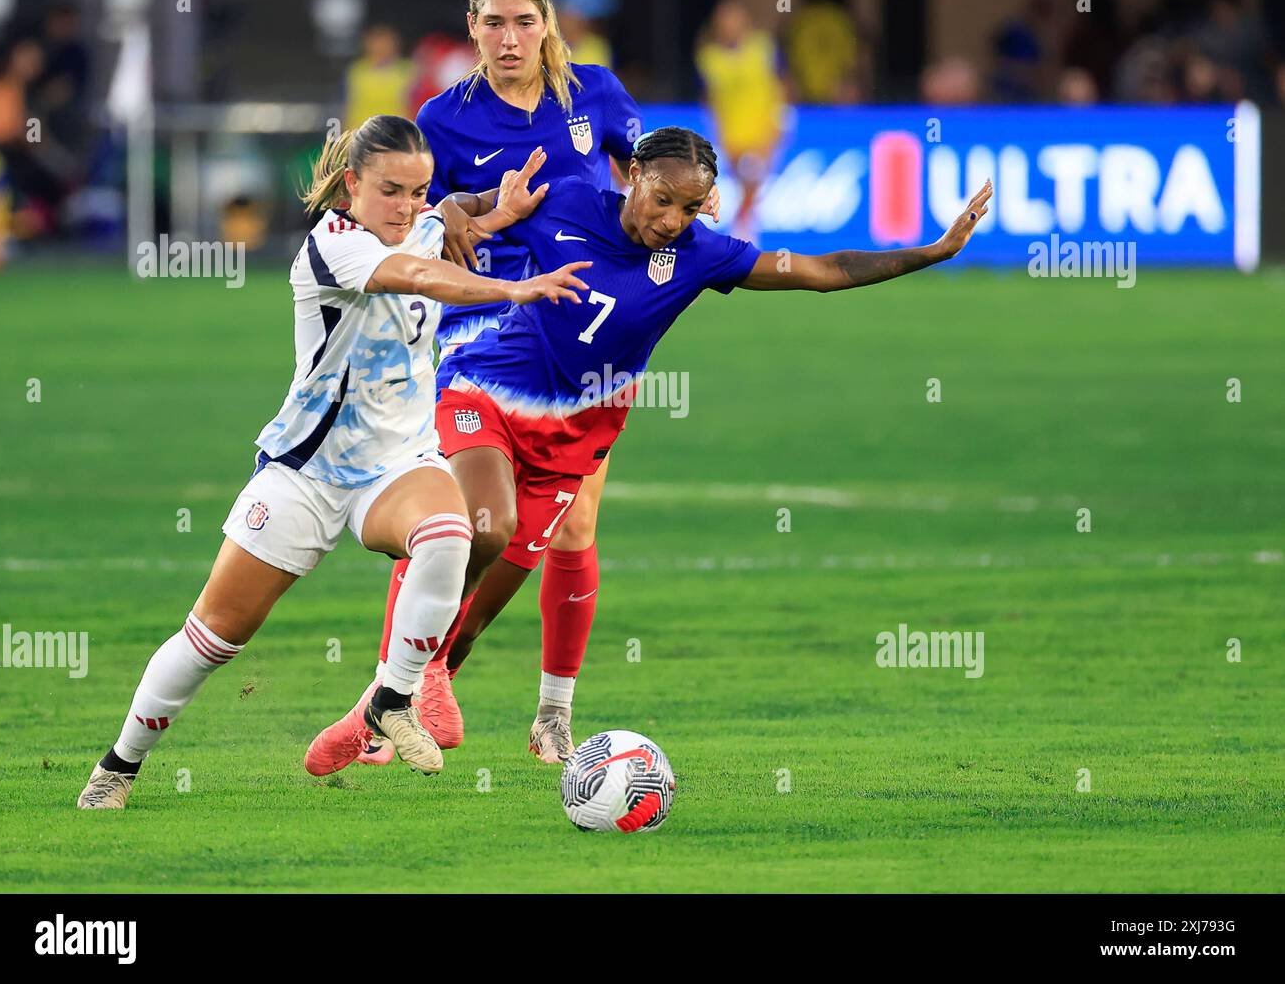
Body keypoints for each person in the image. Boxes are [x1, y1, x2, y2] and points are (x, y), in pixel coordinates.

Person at [305, 126, 992, 772]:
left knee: (472, 619)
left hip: (574, 438)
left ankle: (371, 715)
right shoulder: (569, 196)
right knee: (484, 526)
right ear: (633, 175)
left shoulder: (701, 255)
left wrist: (931, 252)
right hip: (481, 389)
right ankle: (414, 677)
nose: (670, 219)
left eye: (689, 207)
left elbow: (820, 270)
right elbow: (465, 206)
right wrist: (456, 208)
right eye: (662, 199)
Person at [75, 116, 588, 809]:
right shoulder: (332, 246)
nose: (405, 206)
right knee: (212, 638)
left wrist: (491, 206)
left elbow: (446, 215)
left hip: (397, 465)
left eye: (416, 190)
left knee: (449, 535)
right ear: (351, 185)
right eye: (389, 191)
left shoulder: (420, 222)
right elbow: (417, 274)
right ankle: (119, 763)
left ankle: (393, 697)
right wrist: (512, 289)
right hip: (307, 472)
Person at [339, 0, 708, 767]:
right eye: (494, 23)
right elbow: (406, 214)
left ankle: (540, 711)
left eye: (525, 22)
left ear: (549, 25)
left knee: (569, 525)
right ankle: (398, 693)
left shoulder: (596, 95)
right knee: (473, 524)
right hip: (482, 331)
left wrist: (692, 201)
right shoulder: (440, 117)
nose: (510, 39)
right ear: (472, 28)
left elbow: (652, 172)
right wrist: (454, 214)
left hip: (587, 336)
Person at [695, 0, 786, 243]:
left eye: (734, 20)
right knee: (746, 184)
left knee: (752, 179)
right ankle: (744, 231)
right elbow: (709, 100)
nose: (730, 27)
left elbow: (782, 84)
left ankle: (741, 233)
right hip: (732, 136)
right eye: (724, 22)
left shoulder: (763, 48)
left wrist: (779, 123)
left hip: (764, 130)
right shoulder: (709, 58)